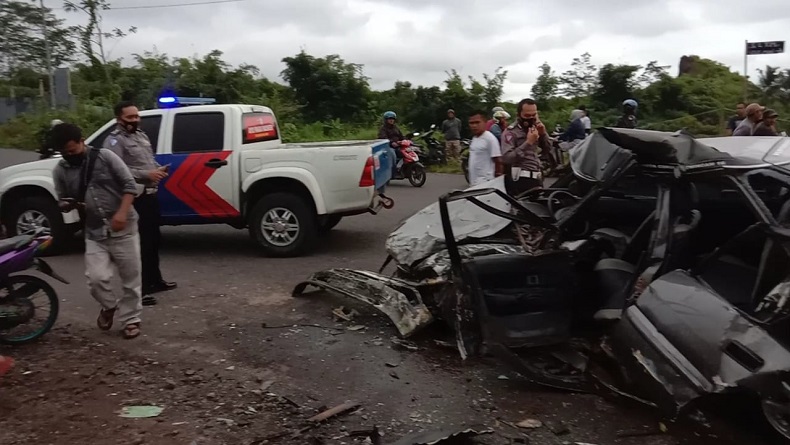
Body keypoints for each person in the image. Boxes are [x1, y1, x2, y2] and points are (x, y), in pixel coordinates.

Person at [52, 123, 143, 339]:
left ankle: (131, 320)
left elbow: (129, 185)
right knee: (96, 279)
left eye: (72, 151)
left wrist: (121, 214)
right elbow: (62, 198)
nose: (69, 156)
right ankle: (109, 306)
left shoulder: (106, 157)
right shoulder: (60, 170)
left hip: (124, 228)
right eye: (65, 153)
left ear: (82, 141)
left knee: (131, 279)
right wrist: (67, 204)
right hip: (94, 231)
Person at [104, 101, 176, 306]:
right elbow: (116, 170)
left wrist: (158, 170)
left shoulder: (141, 136)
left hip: (151, 194)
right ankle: (140, 290)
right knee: (140, 245)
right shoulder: (114, 142)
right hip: (133, 197)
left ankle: (155, 281)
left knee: (154, 240)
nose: (135, 120)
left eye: (137, 116)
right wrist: (147, 174)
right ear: (119, 119)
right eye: (130, 117)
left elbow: (147, 160)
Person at [500, 98, 552, 195]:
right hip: (519, 178)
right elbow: (506, 158)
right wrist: (528, 142)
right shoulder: (510, 132)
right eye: (527, 116)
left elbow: (548, 149)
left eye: (534, 115)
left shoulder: (534, 128)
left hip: (537, 177)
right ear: (519, 115)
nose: (531, 118)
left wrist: (543, 134)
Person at [467, 110, 502, 186]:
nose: (474, 126)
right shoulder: (475, 138)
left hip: (485, 182)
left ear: (485, 122)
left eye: (477, 122)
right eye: (471, 123)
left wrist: (497, 181)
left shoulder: (490, 139)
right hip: (474, 182)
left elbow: (498, 160)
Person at [377, 111, 405, 177]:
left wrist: (405, 140)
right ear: (386, 120)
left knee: (406, 153)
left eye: (393, 119)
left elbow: (401, 136)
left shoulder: (396, 128)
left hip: (398, 146)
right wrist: (392, 142)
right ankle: (393, 172)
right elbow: (383, 137)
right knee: (393, 155)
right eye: (390, 119)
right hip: (388, 147)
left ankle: (402, 168)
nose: (391, 120)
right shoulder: (383, 129)